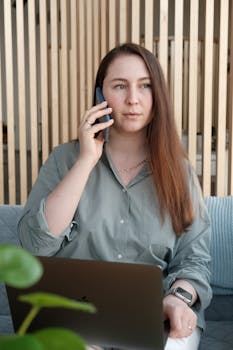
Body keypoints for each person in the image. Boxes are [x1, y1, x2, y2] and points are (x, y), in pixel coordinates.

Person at [18, 42, 212, 350]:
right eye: (119, 86)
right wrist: (86, 160)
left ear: (157, 95)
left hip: (156, 314)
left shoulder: (181, 173)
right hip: (77, 316)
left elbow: (194, 259)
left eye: (145, 86)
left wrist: (179, 299)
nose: (133, 99)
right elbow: (36, 245)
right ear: (100, 96)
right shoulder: (64, 160)